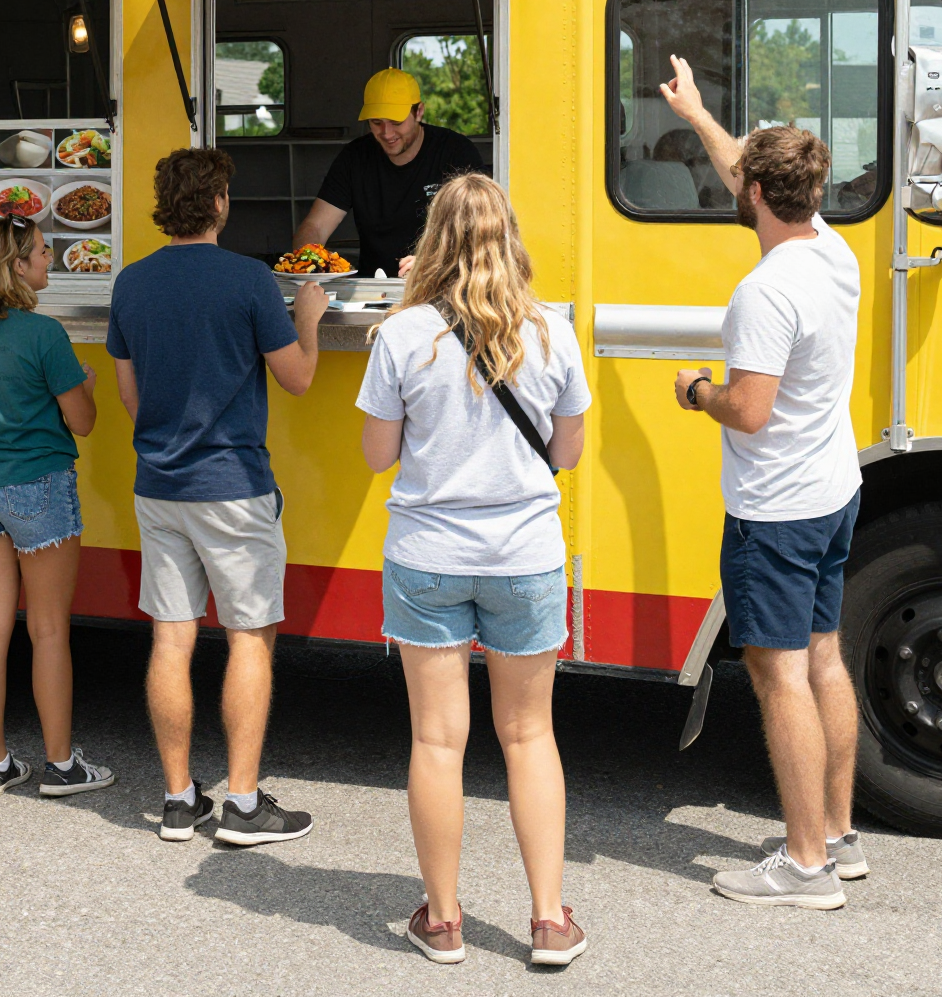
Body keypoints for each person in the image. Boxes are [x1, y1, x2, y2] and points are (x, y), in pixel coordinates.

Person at [358, 172, 590, 967]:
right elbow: (566, 453)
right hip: (524, 556)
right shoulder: (554, 332)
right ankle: (550, 921)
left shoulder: (400, 335)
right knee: (529, 737)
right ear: (509, 238)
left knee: (437, 739)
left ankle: (445, 921)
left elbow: (378, 456)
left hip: (428, 555)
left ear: (434, 241)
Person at [661, 55, 865, 909]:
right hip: (833, 490)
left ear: (752, 196)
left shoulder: (763, 291)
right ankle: (841, 837)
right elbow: (746, 166)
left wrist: (695, 392)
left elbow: (748, 410)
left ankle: (805, 868)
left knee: (777, 674)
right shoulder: (832, 248)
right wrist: (699, 114)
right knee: (824, 658)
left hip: (773, 511)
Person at [107, 148, 329, 845]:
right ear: (220, 203)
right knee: (248, 639)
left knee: (172, 639)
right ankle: (241, 804)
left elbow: (130, 394)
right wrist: (310, 317)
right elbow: (296, 379)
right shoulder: (250, 281)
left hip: (160, 484)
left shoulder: (131, 284)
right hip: (233, 485)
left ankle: (179, 801)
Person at [0, 215, 115, 800]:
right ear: (17, 265)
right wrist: (84, 383)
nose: (50, 260)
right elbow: (83, 422)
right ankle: (62, 767)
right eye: (42, 251)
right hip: (38, 486)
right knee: (47, 631)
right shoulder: (45, 335)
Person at [293, 68, 486, 278]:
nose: (386, 133)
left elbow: (483, 231)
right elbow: (316, 226)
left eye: (396, 122)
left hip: (445, 284)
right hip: (373, 289)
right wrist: (309, 260)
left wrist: (436, 263)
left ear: (419, 112)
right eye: (376, 122)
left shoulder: (456, 152)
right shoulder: (355, 157)